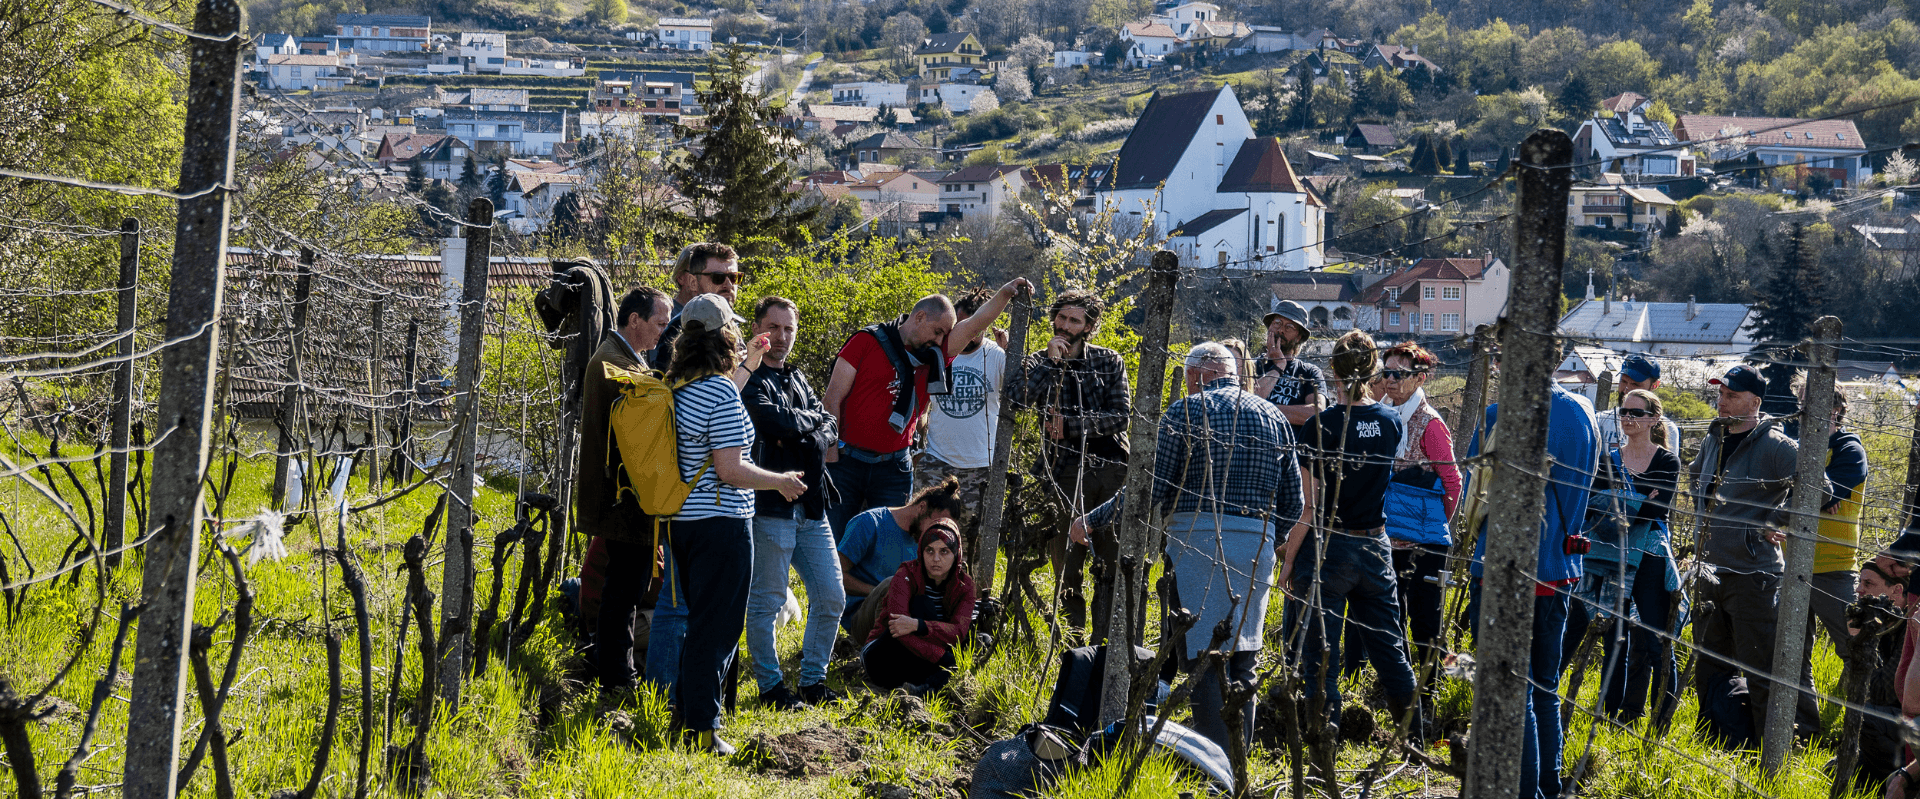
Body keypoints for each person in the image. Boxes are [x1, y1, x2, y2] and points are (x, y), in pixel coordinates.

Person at [1073, 341, 1305, 753]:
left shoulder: (1184, 412)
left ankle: (1217, 766)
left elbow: (1151, 489)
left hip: (1198, 543)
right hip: (1258, 544)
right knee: (1243, 656)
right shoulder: (1274, 417)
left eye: (1185, 379)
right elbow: (1293, 503)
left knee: (1204, 660)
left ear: (1197, 375)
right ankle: (1239, 765)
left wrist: (1092, 519)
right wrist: (1267, 537)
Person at [661, 294, 808, 755]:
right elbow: (729, 467)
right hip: (722, 522)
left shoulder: (681, 384)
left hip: (684, 522)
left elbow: (721, 402)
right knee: (718, 628)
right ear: (723, 334)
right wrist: (778, 481)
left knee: (699, 623)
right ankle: (703, 729)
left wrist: (752, 361)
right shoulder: (719, 391)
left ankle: (684, 719)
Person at [1278, 331, 1420, 743]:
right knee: (1390, 648)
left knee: (1322, 654)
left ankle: (1324, 740)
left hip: (1329, 543)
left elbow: (1310, 508)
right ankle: (1415, 739)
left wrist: (1288, 563)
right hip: (1375, 544)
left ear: (1333, 371)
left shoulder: (1320, 427)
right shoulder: (1392, 421)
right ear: (1373, 369)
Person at [1466, 376, 1599, 799]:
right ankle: (1548, 784)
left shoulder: (1498, 415)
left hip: (1503, 570)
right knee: (1544, 685)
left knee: (1510, 688)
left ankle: (1522, 791)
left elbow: (1475, 491)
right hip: (1561, 567)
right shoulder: (1583, 413)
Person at [823, 279, 1030, 538]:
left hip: (893, 468)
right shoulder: (866, 342)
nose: (940, 340)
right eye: (938, 331)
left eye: (945, 334)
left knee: (890, 544)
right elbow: (831, 400)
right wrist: (831, 460)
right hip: (848, 463)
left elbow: (974, 325)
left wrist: (1004, 293)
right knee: (836, 538)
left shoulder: (932, 355)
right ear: (919, 317)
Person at [1687, 363, 1817, 750]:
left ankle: (1772, 750)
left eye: (1732, 396)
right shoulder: (1715, 436)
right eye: (1721, 394)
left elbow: (1818, 488)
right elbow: (1696, 476)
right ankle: (1719, 741)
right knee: (1710, 664)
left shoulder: (1777, 445)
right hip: (1708, 570)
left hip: (1753, 576)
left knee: (1761, 669)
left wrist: (1773, 519)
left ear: (1755, 402)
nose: (1722, 402)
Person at [1345, 341, 1461, 728]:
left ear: (1420, 378)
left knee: (1426, 621)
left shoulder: (1429, 423)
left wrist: (1432, 525)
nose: (1390, 380)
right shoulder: (1385, 415)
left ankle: (1432, 696)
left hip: (1423, 543)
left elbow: (1452, 479)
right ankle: (1389, 688)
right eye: (1386, 373)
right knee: (1385, 614)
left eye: (1398, 374)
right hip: (1386, 537)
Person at [739, 296, 845, 710]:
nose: (782, 337)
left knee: (831, 595)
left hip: (811, 506)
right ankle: (770, 687)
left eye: (789, 329)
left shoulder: (797, 377)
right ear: (757, 330)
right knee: (765, 602)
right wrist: (813, 427)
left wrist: (812, 432)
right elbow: (773, 422)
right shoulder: (748, 379)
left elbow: (831, 423)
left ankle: (813, 681)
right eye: (774, 328)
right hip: (770, 506)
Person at [1008, 290, 1132, 638]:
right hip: (1062, 470)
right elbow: (1017, 399)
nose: (1064, 326)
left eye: (1074, 320)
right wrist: (1050, 363)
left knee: (1110, 558)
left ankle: (1106, 640)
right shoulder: (1038, 360)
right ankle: (1073, 638)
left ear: (1089, 326)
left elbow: (1121, 417)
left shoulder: (1109, 361)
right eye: (1061, 317)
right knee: (1067, 561)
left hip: (1110, 470)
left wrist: (1072, 427)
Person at [1561, 388, 1682, 724]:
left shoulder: (1667, 461)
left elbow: (1655, 509)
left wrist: (1619, 504)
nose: (1628, 418)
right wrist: (1637, 500)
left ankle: (1660, 721)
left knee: (1657, 639)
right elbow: (1593, 508)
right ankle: (1608, 714)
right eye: (1624, 411)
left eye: (1637, 413)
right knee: (1612, 632)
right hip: (1608, 556)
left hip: (1648, 556)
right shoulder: (1608, 459)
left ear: (1654, 419)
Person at [579, 286, 671, 699]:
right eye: (658, 323)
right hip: (624, 499)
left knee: (625, 587)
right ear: (634, 320)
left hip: (624, 499)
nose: (662, 333)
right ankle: (617, 677)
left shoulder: (624, 357)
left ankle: (614, 669)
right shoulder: (614, 363)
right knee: (623, 590)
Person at [912, 288, 1008, 555]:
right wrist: (919, 447)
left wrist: (1010, 351)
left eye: (975, 326)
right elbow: (920, 401)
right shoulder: (938, 353)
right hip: (937, 461)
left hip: (980, 467)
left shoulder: (996, 356)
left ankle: (968, 595)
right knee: (924, 534)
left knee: (970, 545)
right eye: (961, 326)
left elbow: (1023, 391)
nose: (968, 332)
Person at [839, 477, 968, 638]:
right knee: (893, 584)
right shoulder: (869, 523)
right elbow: (835, 576)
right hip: (862, 618)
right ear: (922, 507)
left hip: (908, 618)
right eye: (936, 523)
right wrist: (878, 592)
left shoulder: (930, 544)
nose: (938, 532)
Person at [862, 518, 976, 695]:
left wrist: (919, 626)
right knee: (922, 605)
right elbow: (897, 629)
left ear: (957, 553)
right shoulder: (905, 575)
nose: (935, 559)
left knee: (977, 640)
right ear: (921, 552)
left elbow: (958, 632)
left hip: (923, 658)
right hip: (884, 655)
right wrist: (941, 656)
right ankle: (927, 687)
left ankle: (922, 690)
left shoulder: (965, 586)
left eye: (944, 551)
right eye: (929, 551)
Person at [1801, 383, 1867, 660]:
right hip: (1792, 563)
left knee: (1856, 650)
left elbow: (1822, 496)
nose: (1802, 408)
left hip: (1834, 567)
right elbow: (1800, 496)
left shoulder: (1850, 450)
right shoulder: (1798, 447)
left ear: (1836, 409)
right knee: (1788, 656)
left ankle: (1863, 703)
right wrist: (1814, 495)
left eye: (1811, 400)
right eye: (1801, 400)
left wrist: (1813, 494)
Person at [649, 242, 742, 369]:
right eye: (717, 277)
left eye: (734, 277)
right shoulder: (679, 329)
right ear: (693, 282)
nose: (729, 285)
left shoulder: (733, 324)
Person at [1252, 300, 1327, 441]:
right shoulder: (1250, 365)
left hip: (1292, 452)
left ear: (1299, 337)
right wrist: (1278, 367)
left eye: (1289, 327)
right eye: (1277, 323)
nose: (1280, 330)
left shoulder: (1309, 372)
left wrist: (1263, 410)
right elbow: (1243, 403)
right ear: (1269, 327)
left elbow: (1317, 412)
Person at [1594, 353, 1681, 450]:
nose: (1627, 390)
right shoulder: (1601, 420)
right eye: (1624, 381)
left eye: (1635, 384)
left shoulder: (1668, 429)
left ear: (1654, 385)